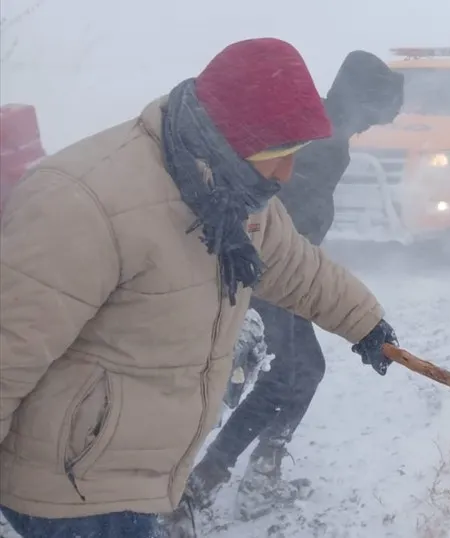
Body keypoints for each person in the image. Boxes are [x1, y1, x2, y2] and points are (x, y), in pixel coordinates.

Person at [0, 38, 399, 538]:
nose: (286, 174)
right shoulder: (87, 202)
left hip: (139, 476)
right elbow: (7, 356)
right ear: (226, 135)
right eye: (276, 155)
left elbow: (295, 265)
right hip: (73, 488)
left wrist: (365, 322)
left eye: (294, 154)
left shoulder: (234, 189)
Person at [171, 50, 404, 527]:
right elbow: (276, 212)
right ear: (366, 102)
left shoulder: (327, 128)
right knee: (281, 376)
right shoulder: (323, 138)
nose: (374, 126)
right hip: (266, 273)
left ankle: (255, 473)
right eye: (379, 114)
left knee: (302, 372)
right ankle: (199, 486)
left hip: (277, 271)